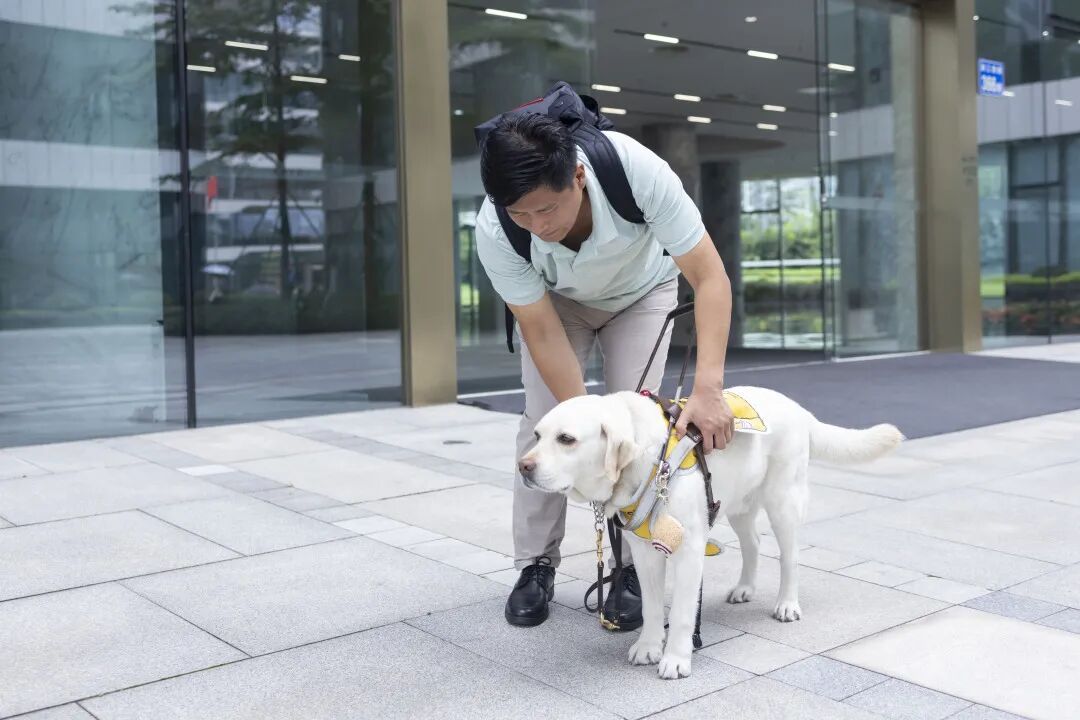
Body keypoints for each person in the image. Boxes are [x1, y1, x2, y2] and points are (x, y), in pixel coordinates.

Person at [475, 113, 735, 629]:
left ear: (577, 176)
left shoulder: (636, 171)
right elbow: (539, 329)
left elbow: (709, 277)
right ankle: (535, 564)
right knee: (546, 422)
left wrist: (709, 388)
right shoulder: (495, 227)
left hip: (641, 294)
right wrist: (578, 420)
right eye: (521, 214)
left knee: (637, 427)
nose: (537, 226)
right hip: (557, 307)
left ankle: (633, 567)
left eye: (546, 209)